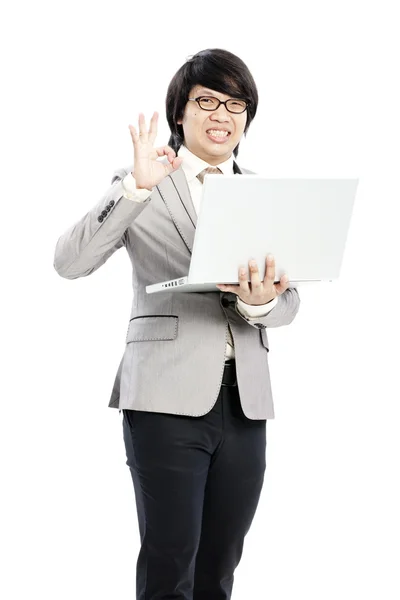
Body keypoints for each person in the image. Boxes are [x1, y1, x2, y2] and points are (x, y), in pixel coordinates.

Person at [54, 48, 300, 600]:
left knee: (220, 563)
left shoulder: (264, 195)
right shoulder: (143, 181)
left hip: (245, 403)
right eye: (207, 101)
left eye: (236, 104)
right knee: (171, 559)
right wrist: (134, 189)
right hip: (165, 398)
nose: (223, 115)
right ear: (179, 113)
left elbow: (289, 304)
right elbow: (70, 263)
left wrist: (260, 304)